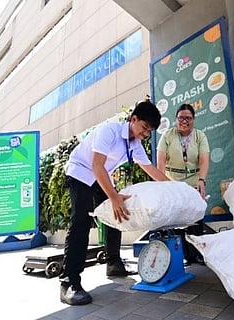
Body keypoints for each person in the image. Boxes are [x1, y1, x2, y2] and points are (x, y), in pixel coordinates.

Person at [60, 99, 170, 305]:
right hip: (81, 171)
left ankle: (113, 263)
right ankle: (69, 281)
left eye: (149, 131)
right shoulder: (109, 131)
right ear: (133, 119)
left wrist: (177, 189)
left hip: (100, 176)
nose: (145, 134)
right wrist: (114, 197)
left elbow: (152, 170)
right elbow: (97, 165)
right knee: (81, 222)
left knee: (118, 214)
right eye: (144, 128)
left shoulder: (135, 144)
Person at [156, 103, 210, 265]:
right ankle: (183, 255)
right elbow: (160, 162)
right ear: (175, 119)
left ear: (193, 119)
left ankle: (197, 254)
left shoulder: (200, 136)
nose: (184, 121)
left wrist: (202, 180)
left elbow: (204, 160)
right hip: (173, 181)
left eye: (188, 118)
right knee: (177, 217)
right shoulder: (167, 135)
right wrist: (163, 184)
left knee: (195, 216)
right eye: (181, 118)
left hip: (193, 181)